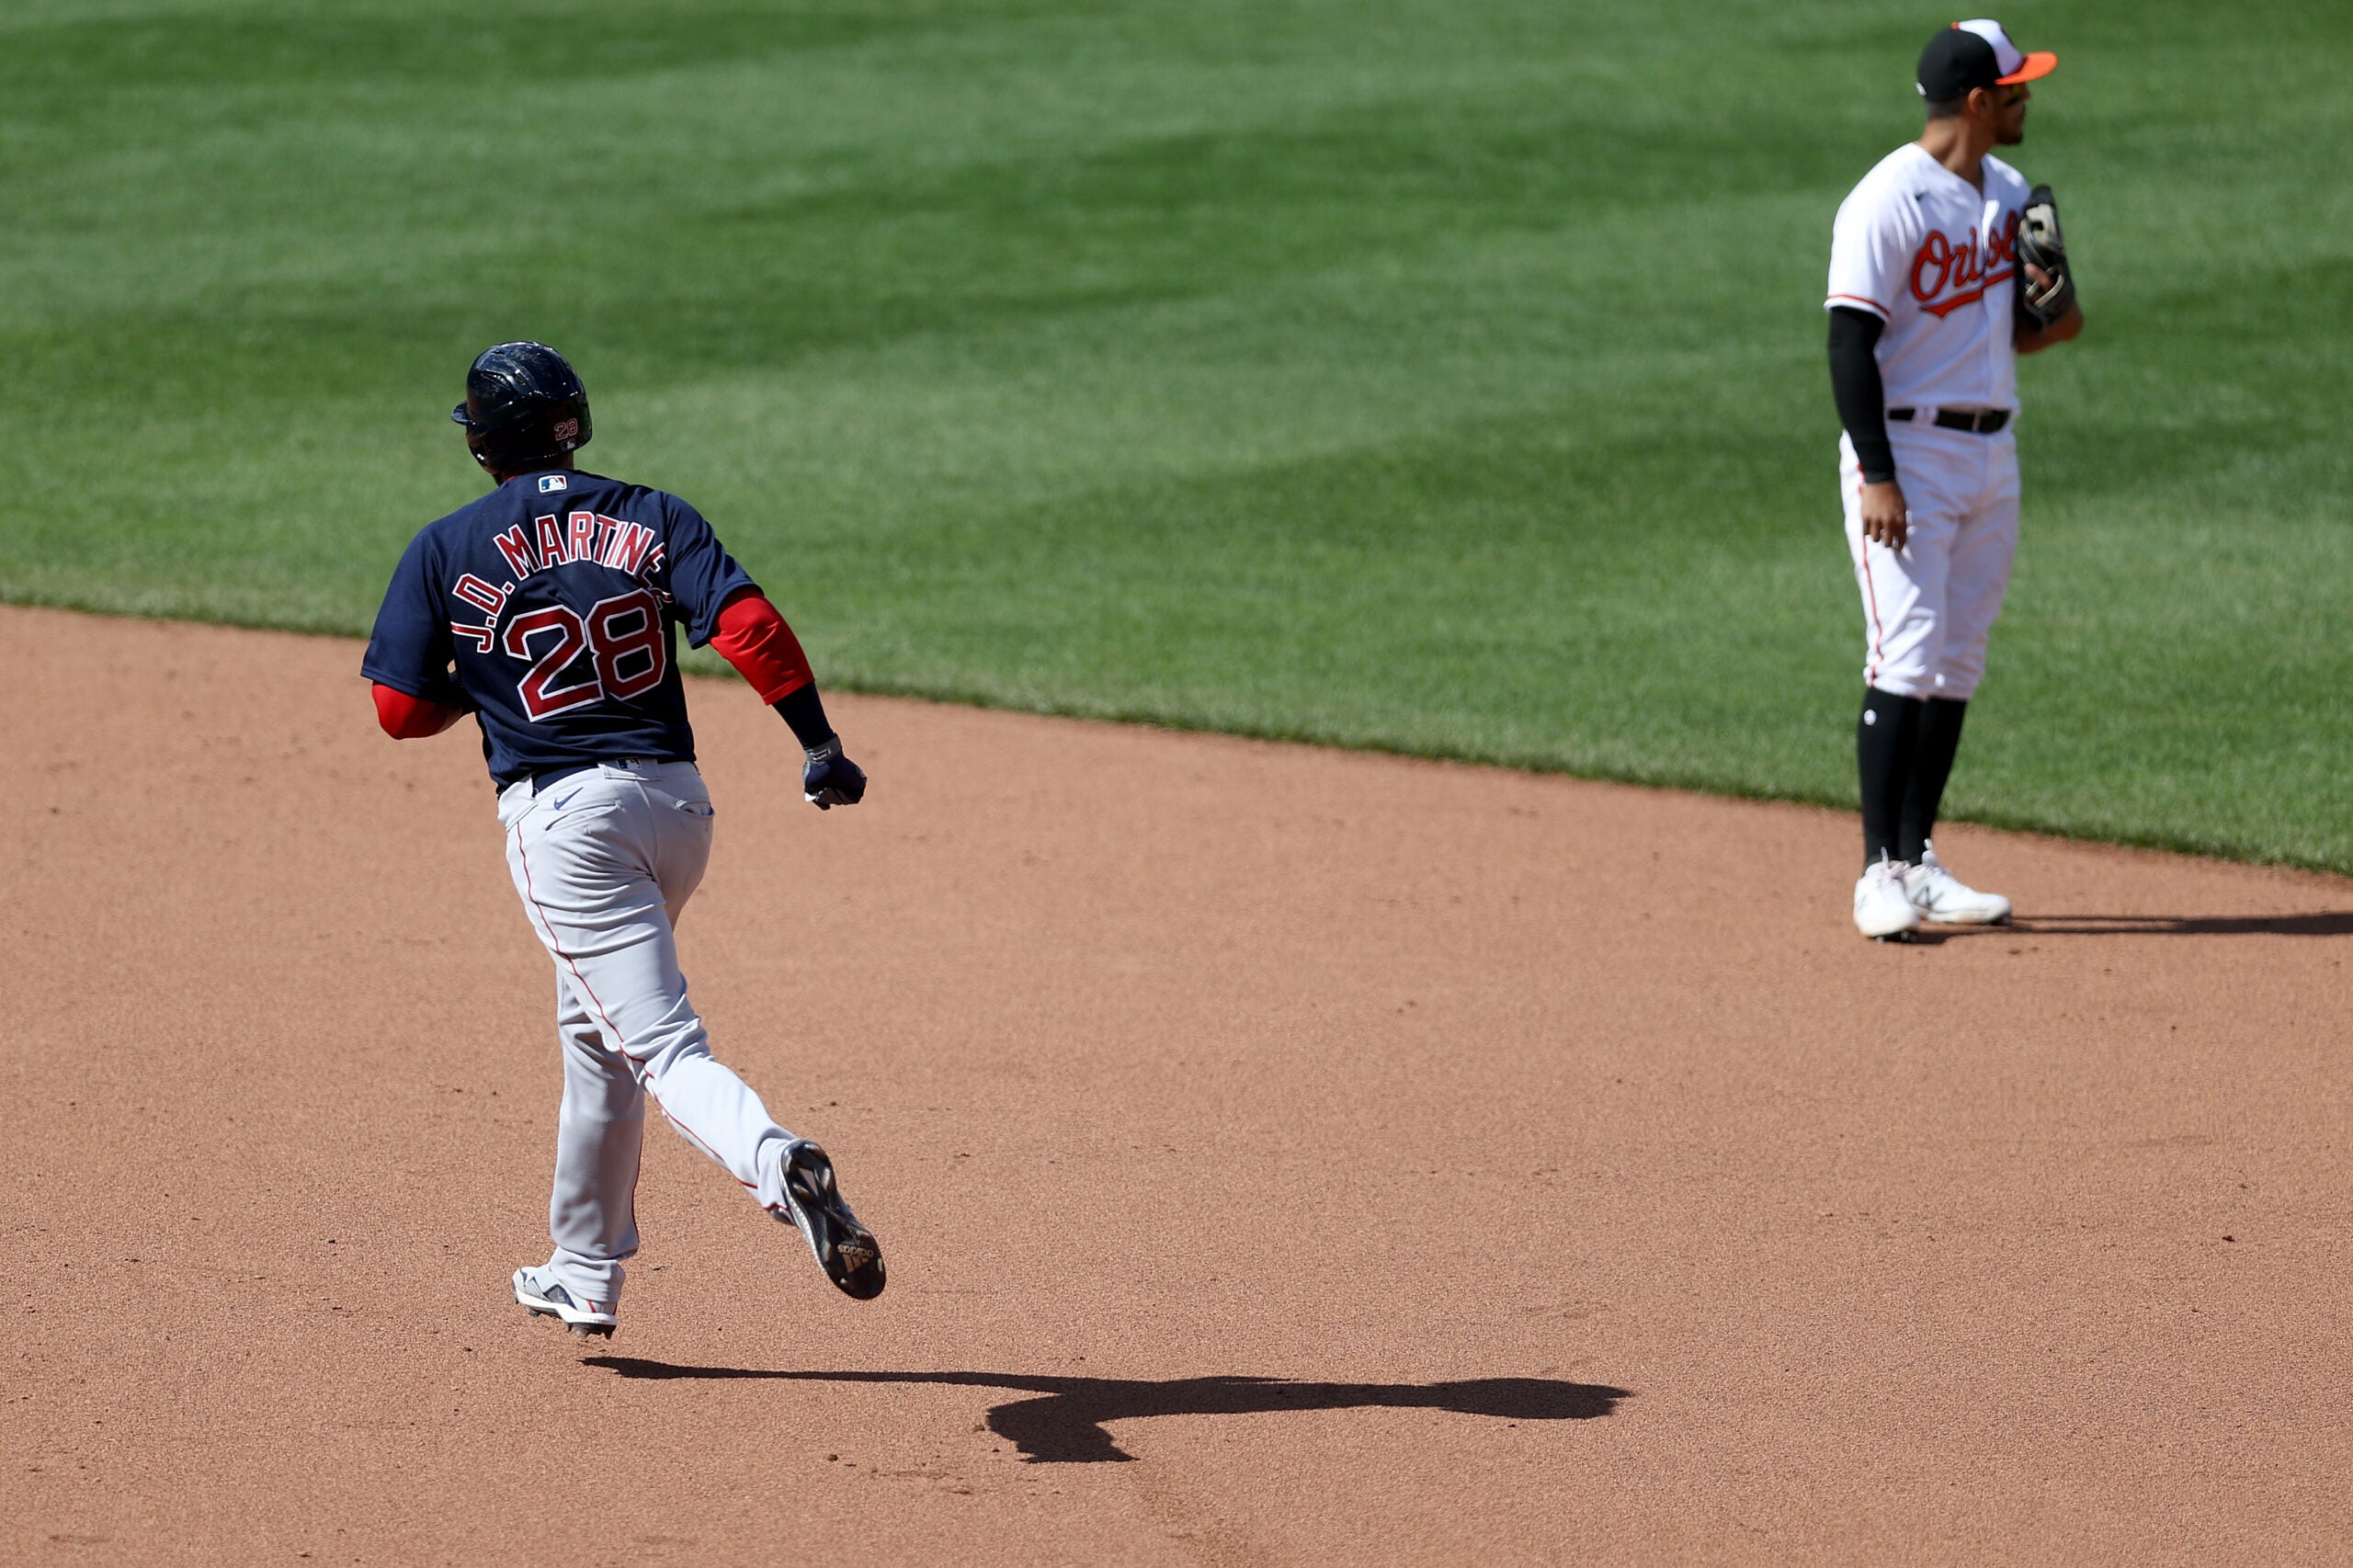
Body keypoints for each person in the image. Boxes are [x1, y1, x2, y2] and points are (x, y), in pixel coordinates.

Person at [362, 341, 884, 1336]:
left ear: (483, 442)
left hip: (567, 828)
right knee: (596, 1034)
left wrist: (485, 686)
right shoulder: (654, 513)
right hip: (677, 811)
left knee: (656, 1044)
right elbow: (749, 627)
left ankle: (777, 1161)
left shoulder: (445, 543)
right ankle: (585, 1267)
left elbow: (396, 709)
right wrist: (818, 743)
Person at [1825, 19, 2084, 939]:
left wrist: (2055, 310)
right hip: (1905, 454)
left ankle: (1917, 855)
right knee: (1903, 653)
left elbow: (2030, 329)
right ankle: (1874, 873)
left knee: (1956, 661)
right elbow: (1848, 341)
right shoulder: (1886, 198)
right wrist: (1879, 477)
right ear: (1979, 102)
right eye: (2016, 88)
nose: (2026, 99)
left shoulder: (2008, 192)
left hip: (1990, 451)